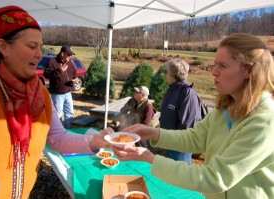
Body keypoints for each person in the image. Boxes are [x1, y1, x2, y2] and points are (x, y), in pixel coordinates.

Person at [109, 33, 274, 199]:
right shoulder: (224, 108)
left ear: (249, 70)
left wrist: (149, 158)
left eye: (222, 66)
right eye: (215, 64)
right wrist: (154, 133)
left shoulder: (265, 121)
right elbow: (194, 138)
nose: (213, 72)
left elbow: (215, 177)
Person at [0, 5, 110, 199]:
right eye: (31, 46)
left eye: (40, 46)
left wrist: (95, 141)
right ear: (3, 47)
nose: (39, 54)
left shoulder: (40, 94)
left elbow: (58, 139)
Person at [160, 59, 202, 164]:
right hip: (171, 142)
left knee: (180, 176)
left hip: (181, 146)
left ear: (173, 75)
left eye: (166, 72)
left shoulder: (187, 92)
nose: (165, 74)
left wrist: (177, 143)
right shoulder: (173, 88)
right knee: (172, 175)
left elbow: (188, 124)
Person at [43, 45, 78, 129]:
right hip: (57, 94)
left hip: (68, 93)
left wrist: (76, 79)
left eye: (71, 55)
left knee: (69, 113)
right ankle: (59, 132)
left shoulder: (70, 62)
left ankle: (68, 130)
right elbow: (46, 74)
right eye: (68, 55)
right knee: (58, 114)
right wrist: (59, 71)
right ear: (62, 53)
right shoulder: (53, 62)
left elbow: (74, 73)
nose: (70, 57)